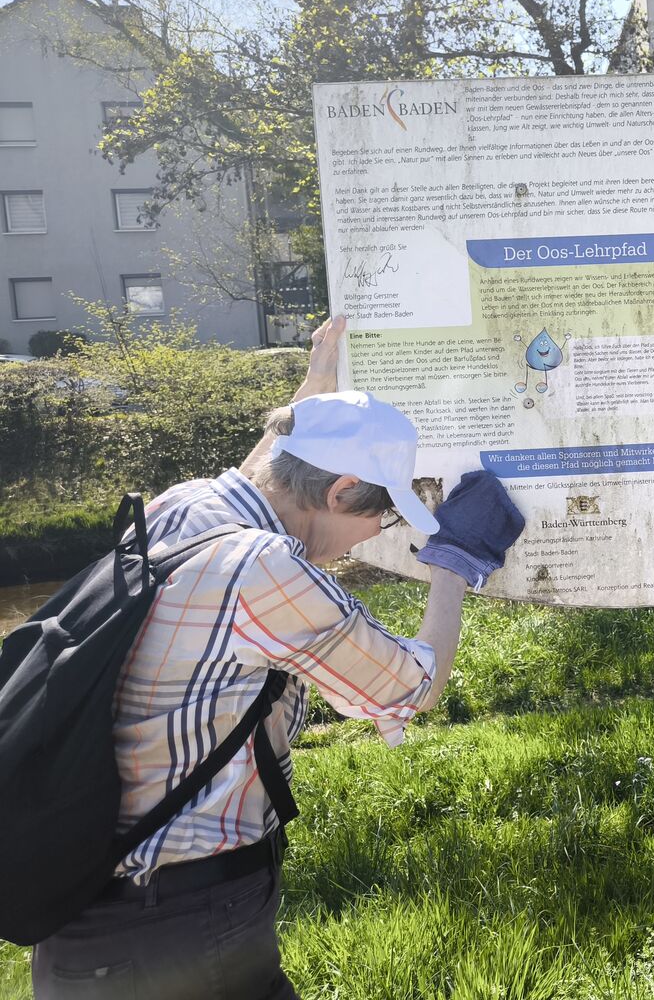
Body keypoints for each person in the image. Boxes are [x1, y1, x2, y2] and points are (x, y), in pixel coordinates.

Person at [31, 316, 524, 1000]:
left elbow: (262, 463)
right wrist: (453, 562)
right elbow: (412, 687)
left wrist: (314, 389)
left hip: (98, 919)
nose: (366, 539)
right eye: (378, 519)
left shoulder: (186, 507)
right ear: (343, 491)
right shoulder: (263, 569)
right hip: (174, 930)